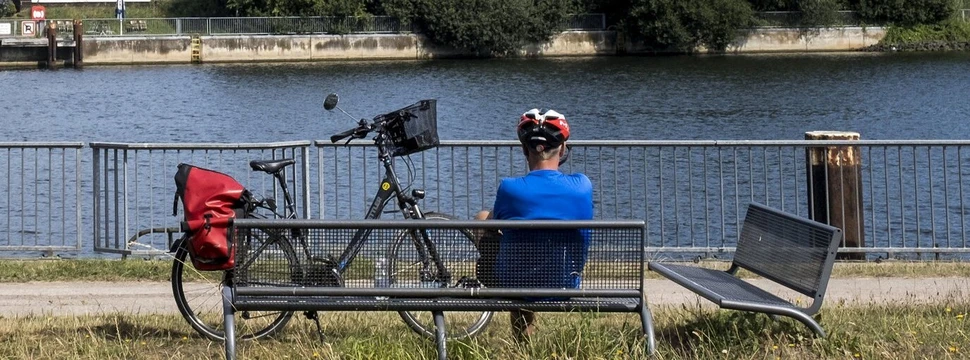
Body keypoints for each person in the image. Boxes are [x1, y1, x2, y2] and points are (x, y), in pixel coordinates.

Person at [475, 108, 594, 341]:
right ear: (562, 149)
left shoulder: (510, 188)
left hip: (514, 284)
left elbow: (491, 224)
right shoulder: (582, 186)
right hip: (564, 284)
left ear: (524, 149)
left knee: (482, 218)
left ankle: (522, 342)